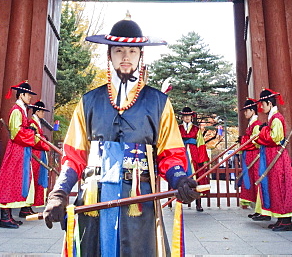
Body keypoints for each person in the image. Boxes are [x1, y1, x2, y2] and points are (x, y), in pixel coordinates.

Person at [42, 19, 199, 256]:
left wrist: (179, 180)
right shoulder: (89, 101)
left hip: (140, 198)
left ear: (140, 55)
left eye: (132, 51)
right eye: (118, 50)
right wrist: (59, 193)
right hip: (95, 196)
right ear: (109, 54)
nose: (125, 56)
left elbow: (171, 154)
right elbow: (74, 156)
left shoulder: (159, 103)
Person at [252, 88, 292, 231]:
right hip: (271, 157)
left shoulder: (276, 118)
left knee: (281, 187)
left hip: (277, 158)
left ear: (269, 103)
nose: (261, 108)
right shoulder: (272, 118)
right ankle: (280, 218)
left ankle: (286, 221)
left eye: (262, 104)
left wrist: (261, 131)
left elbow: (275, 138)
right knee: (274, 187)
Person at [0, 80, 50, 228]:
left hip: (21, 151)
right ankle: (4, 217)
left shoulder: (21, 110)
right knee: (10, 179)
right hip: (16, 150)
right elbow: (16, 132)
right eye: (28, 95)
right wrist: (31, 133)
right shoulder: (16, 110)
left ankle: (9, 216)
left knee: (17, 180)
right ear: (22, 94)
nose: (30, 98)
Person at [22, 98, 52, 218]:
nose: (43, 114)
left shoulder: (36, 123)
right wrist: (45, 145)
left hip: (39, 153)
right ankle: (25, 207)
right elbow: (35, 140)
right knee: (32, 180)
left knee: (34, 180)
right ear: (37, 111)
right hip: (35, 154)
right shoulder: (32, 123)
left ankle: (27, 207)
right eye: (42, 111)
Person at [237, 96, 263, 218]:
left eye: (247, 111)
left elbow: (256, 141)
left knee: (258, 182)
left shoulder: (256, 124)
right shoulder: (252, 124)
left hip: (255, 157)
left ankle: (262, 210)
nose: (245, 113)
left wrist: (243, 140)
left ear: (252, 111)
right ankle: (258, 210)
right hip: (250, 156)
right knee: (253, 181)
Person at [178, 107, 208, 212]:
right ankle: (180, 202)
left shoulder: (196, 129)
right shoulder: (178, 128)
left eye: (189, 116)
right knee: (181, 177)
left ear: (192, 117)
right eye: (185, 116)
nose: (187, 118)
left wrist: (201, 159)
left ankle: (198, 203)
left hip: (194, 154)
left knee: (196, 178)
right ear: (182, 117)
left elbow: (201, 144)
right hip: (182, 154)